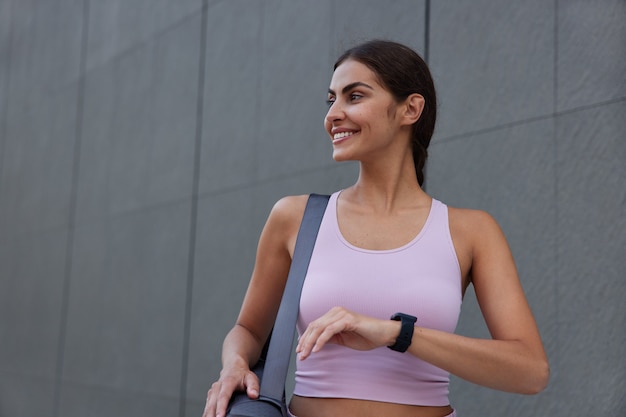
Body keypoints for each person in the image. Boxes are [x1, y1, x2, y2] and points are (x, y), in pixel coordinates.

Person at [203, 39, 549, 417]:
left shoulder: (471, 231)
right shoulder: (295, 217)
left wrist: (396, 333)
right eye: (331, 99)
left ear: (410, 108)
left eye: (354, 96)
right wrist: (235, 364)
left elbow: (529, 371)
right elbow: (249, 331)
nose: (333, 114)